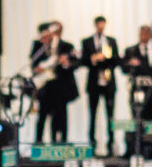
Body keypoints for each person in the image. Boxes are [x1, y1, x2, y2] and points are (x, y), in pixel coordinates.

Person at [31, 21, 76, 144]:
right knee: (42, 116)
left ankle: (60, 142)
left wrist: (65, 63)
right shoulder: (40, 45)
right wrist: (38, 69)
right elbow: (33, 62)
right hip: (45, 88)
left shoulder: (66, 46)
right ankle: (38, 143)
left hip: (60, 88)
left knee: (60, 117)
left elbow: (75, 62)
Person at [80, 15, 119, 149]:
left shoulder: (111, 41)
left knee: (110, 114)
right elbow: (83, 60)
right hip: (94, 83)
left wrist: (106, 58)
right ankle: (91, 142)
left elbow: (117, 60)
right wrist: (94, 59)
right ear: (96, 25)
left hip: (108, 82)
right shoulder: (87, 42)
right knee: (92, 114)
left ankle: (111, 142)